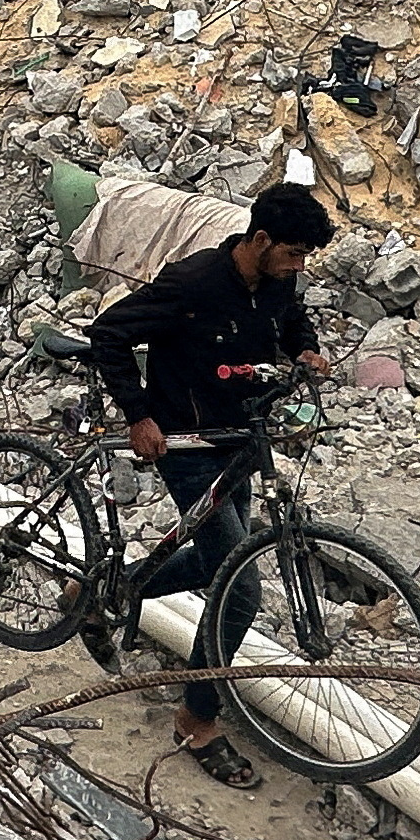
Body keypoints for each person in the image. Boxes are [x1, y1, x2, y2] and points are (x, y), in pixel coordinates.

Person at [85, 183, 335, 791]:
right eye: (293, 253)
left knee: (211, 560)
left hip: (239, 436)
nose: (299, 267)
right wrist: (139, 416)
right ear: (260, 239)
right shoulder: (192, 282)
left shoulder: (276, 281)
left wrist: (305, 349)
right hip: (186, 443)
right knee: (240, 588)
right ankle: (195, 719)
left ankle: (96, 591)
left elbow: (290, 318)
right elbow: (109, 333)